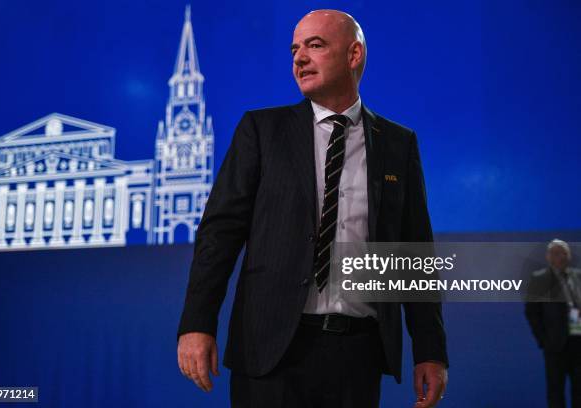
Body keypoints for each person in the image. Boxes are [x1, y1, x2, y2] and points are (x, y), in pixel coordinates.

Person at [177, 9, 448, 407]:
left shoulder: (397, 144)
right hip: (269, 352)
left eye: (315, 45)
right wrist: (197, 324)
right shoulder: (262, 130)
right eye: (294, 49)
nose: (299, 58)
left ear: (354, 55)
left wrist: (430, 350)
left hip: (357, 356)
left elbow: (414, 254)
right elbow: (219, 234)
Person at [526, 239, 581, 408]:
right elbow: (532, 313)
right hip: (555, 345)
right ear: (548, 257)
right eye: (556, 253)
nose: (561, 257)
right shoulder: (540, 279)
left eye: (564, 252)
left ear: (569, 256)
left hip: (578, 342)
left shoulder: (578, 276)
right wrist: (544, 340)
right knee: (555, 391)